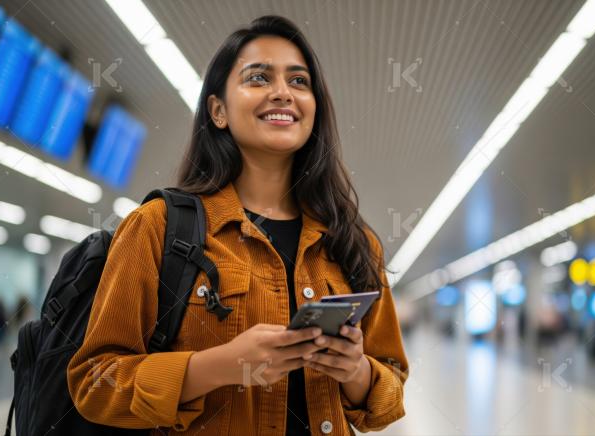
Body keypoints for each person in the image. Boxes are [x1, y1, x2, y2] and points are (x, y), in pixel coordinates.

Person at [67, 15, 408, 435]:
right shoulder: (158, 227)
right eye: (259, 78)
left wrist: (354, 370)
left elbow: (391, 387)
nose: (283, 92)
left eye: (299, 82)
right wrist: (220, 366)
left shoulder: (353, 241)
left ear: (314, 110)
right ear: (219, 110)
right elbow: (94, 383)